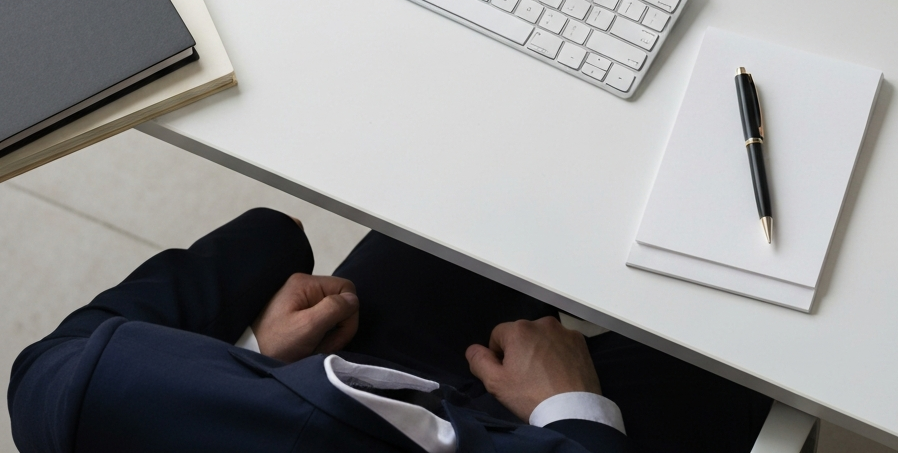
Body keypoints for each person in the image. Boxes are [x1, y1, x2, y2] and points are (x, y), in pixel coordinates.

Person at [7, 208, 770, 453]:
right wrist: (569, 410)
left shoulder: (83, 395)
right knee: (745, 325)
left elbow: (49, 373)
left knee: (469, 213)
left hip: (308, 388)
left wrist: (253, 364)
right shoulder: (87, 389)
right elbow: (262, 241)